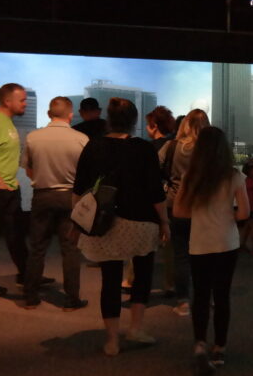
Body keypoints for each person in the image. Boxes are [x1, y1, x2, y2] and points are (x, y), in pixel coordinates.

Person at [73, 98, 169, 356]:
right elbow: (155, 192)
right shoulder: (143, 149)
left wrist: (77, 221)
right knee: (143, 274)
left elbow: (79, 188)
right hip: (141, 222)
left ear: (108, 119)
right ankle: (136, 328)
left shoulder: (94, 147)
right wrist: (165, 222)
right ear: (135, 120)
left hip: (106, 222)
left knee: (111, 279)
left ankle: (112, 340)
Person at [172, 126, 249, 376]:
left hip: (200, 244)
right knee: (222, 296)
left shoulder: (190, 177)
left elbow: (179, 212)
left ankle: (199, 343)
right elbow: (245, 213)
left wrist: (199, 212)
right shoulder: (234, 176)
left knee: (201, 295)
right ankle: (220, 348)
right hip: (226, 242)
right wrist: (229, 215)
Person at [21, 96, 89, 310]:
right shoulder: (81, 139)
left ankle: (30, 297)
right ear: (70, 115)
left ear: (49, 114)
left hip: (42, 195)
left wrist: (40, 179)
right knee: (70, 249)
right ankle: (71, 300)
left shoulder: (33, 137)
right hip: (69, 197)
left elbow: (28, 168)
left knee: (37, 247)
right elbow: (85, 174)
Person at [158, 109, 209, 315]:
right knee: (205, 255)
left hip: (175, 205)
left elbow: (155, 167)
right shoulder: (208, 148)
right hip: (204, 207)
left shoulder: (171, 146)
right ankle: (206, 298)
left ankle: (183, 302)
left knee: (181, 256)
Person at [0, 82, 41, 296]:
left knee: (16, 235)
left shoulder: (7, 122)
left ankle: (28, 275)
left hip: (10, 188)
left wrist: (11, 181)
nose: (26, 103)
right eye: (22, 100)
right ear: (7, 100)